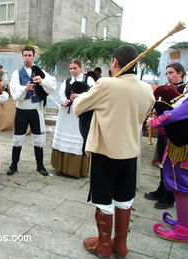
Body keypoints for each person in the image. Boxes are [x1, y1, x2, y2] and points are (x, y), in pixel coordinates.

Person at [73, 45, 155, 258]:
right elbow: (144, 116)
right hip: (130, 154)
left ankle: (104, 247)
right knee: (124, 199)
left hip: (105, 153)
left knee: (104, 200)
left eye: (111, 62)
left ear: (116, 63)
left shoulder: (106, 84)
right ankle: (121, 245)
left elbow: (78, 107)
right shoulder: (147, 89)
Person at [6, 46, 57, 176]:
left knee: (38, 138)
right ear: (22, 57)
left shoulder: (40, 71)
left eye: (30, 55)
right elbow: (14, 90)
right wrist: (25, 88)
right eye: (25, 55)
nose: (27, 58)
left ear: (33, 56)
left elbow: (52, 86)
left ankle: (40, 166)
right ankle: (14, 164)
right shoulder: (17, 73)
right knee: (18, 138)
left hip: (36, 110)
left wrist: (42, 81)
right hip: (22, 109)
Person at [145, 63, 186, 209]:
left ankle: (169, 196)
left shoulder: (183, 90)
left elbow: (176, 113)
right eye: (166, 73)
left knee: (173, 165)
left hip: (178, 135)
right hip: (164, 130)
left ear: (180, 73)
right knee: (163, 162)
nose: (168, 76)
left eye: (171, 73)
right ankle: (162, 188)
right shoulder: (167, 88)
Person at [150, 99, 188, 243]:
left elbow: (172, 115)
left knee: (182, 187)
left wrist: (154, 121)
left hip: (184, 153)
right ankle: (184, 221)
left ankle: (183, 230)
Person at [51, 59, 95, 178]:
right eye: (70, 68)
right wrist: (64, 100)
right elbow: (61, 95)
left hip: (79, 117)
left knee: (78, 139)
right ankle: (61, 168)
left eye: (75, 68)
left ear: (80, 68)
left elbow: (93, 95)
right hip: (66, 115)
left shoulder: (88, 80)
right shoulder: (67, 81)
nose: (72, 71)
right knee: (63, 139)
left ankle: (76, 170)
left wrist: (79, 96)